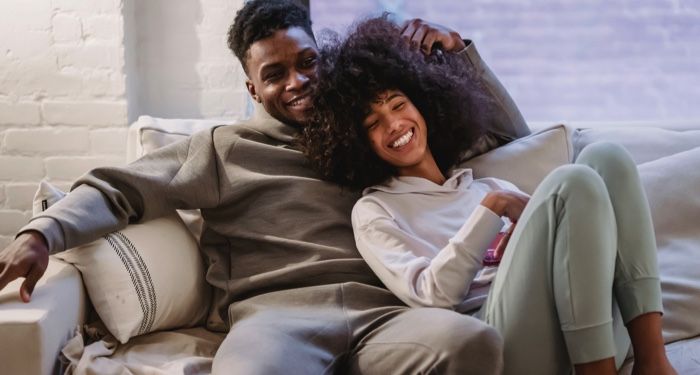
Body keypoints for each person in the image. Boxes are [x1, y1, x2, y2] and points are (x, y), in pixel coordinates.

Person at [0, 1, 529, 373]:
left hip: (388, 313)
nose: (296, 82)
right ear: (251, 86)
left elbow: (507, 137)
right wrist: (42, 234)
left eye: (307, 63)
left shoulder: (372, 133)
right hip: (278, 318)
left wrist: (461, 53)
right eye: (275, 74)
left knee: (471, 343)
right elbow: (120, 189)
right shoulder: (223, 148)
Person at [301, 16, 677, 375]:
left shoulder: (486, 185)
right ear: (358, 142)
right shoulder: (375, 210)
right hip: (507, 343)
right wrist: (491, 212)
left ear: (423, 104)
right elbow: (432, 296)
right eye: (373, 123)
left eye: (398, 105)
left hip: (588, 327)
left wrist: (509, 212)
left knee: (606, 158)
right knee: (573, 182)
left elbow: (569, 243)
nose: (394, 124)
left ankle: (653, 361)